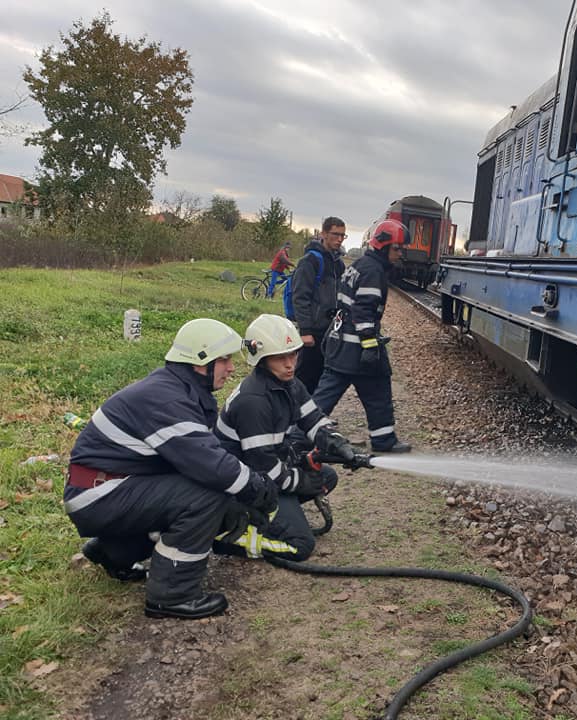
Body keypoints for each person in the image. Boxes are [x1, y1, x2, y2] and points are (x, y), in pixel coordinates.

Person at [64, 319, 279, 620]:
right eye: (224, 360)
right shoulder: (166, 399)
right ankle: (172, 595)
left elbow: (205, 455)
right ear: (200, 362)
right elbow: (211, 465)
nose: (231, 368)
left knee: (204, 493)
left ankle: (113, 551)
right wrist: (257, 489)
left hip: (104, 488)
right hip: (100, 494)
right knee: (206, 496)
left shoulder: (174, 389)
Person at [215, 314, 358, 560]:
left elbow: (312, 419)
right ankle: (228, 536)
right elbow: (262, 464)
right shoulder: (254, 401)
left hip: (266, 471)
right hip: (245, 485)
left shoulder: (289, 384)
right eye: (281, 358)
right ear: (260, 358)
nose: (290, 364)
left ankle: (269, 515)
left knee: (326, 477)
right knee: (301, 545)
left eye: (293, 354)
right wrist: (297, 481)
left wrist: (334, 441)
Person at [314, 219, 412, 453]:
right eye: (396, 248)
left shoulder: (362, 264)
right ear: (383, 246)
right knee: (375, 390)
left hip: (341, 344)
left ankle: (299, 434)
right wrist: (370, 347)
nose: (400, 254)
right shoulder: (373, 272)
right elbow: (363, 311)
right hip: (356, 348)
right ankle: (383, 439)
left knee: (328, 395)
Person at [291, 217, 347, 393]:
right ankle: (294, 416)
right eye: (335, 234)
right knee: (304, 376)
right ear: (323, 234)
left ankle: (313, 416)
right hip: (313, 331)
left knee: (322, 375)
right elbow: (300, 296)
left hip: (330, 330)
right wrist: (305, 331)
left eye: (343, 236)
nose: (339, 239)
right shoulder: (310, 261)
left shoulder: (339, 264)